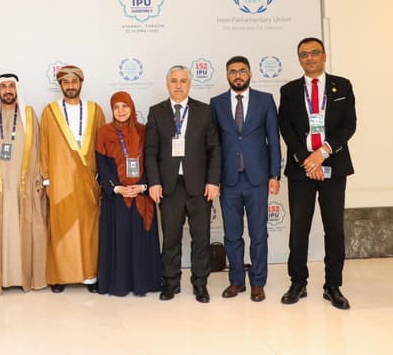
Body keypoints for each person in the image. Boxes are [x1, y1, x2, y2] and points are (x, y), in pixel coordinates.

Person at [278, 37, 357, 310]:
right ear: (299, 59)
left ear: (324, 56)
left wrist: (322, 153)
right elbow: (286, 128)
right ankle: (298, 282)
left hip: (334, 166)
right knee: (299, 229)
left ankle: (332, 286)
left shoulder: (342, 86)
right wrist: (307, 160)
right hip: (301, 170)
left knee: (334, 229)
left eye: (314, 53)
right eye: (304, 54)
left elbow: (349, 125)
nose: (309, 57)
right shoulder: (289, 90)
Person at [145, 65, 221, 303]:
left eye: (183, 81)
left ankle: (200, 283)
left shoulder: (204, 111)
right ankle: (170, 282)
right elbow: (150, 151)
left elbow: (214, 149)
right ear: (167, 84)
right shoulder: (156, 112)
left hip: (199, 186)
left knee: (201, 238)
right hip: (169, 186)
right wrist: (154, 182)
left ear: (189, 83)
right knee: (170, 237)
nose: (178, 85)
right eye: (174, 81)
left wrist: (213, 180)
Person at [210, 56, 281, 302]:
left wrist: (274, 175)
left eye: (242, 71)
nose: (237, 75)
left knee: (259, 234)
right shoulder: (217, 103)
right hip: (228, 180)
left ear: (250, 73)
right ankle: (237, 281)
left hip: (257, 179)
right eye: (233, 71)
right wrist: (214, 178)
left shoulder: (265, 100)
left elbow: (273, 140)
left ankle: (258, 282)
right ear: (227, 75)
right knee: (232, 235)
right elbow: (214, 145)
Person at [0, 73, 46, 295]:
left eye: (11, 86)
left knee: (25, 227)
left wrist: (39, 179)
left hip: (24, 184)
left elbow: (39, 150)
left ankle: (24, 277)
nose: (7, 90)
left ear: (17, 90)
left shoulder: (29, 115)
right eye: (3, 86)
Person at [40, 65, 106, 293]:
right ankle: (60, 276)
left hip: (88, 179)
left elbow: (103, 146)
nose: (70, 86)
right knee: (61, 228)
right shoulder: (50, 111)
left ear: (80, 83)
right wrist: (46, 180)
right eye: (66, 82)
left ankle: (90, 276)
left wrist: (101, 177)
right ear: (60, 85)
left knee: (88, 229)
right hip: (59, 179)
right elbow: (44, 147)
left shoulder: (95, 110)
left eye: (74, 81)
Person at [95, 91, 161, 296]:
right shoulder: (104, 132)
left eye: (125, 106)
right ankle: (119, 283)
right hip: (116, 198)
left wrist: (143, 186)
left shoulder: (144, 131)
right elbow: (102, 165)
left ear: (131, 108)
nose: (121, 111)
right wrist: (116, 188)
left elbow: (152, 160)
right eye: (116, 107)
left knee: (140, 241)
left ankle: (143, 282)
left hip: (141, 196)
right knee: (120, 239)